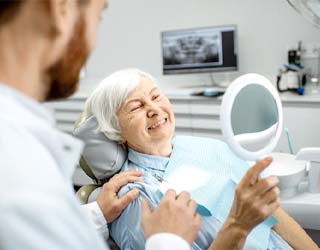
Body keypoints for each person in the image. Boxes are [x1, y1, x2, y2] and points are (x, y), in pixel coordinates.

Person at [0, 1, 200, 249]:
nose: (153, 109)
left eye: (156, 96)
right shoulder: (17, 170)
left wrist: (97, 214)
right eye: (99, 16)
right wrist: (169, 241)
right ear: (60, 8)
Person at [84, 68, 318, 250]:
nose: (155, 109)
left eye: (156, 96)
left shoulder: (204, 146)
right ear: (116, 130)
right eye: (136, 107)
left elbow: (273, 214)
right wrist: (239, 224)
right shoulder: (135, 197)